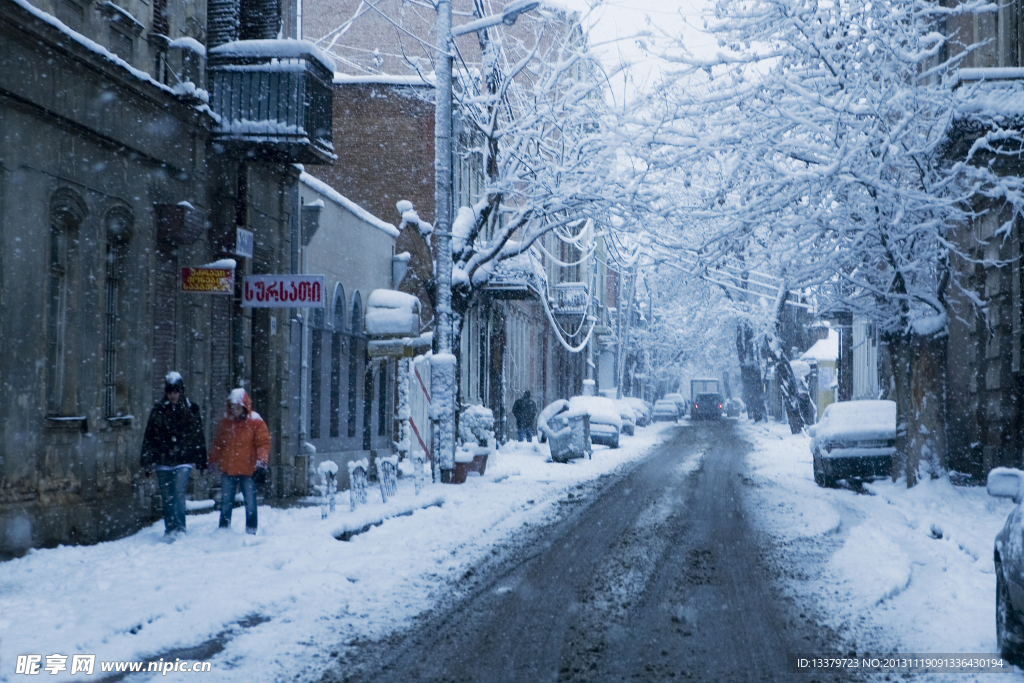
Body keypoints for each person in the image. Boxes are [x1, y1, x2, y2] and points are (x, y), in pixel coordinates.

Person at [140, 371, 207, 538]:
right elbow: (150, 436)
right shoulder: (158, 410)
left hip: (183, 459)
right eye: (170, 392)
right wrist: (147, 461)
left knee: (178, 493)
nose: (173, 396)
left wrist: (201, 459)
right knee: (167, 497)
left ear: (181, 392)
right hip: (163, 459)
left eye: (176, 392)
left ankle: (180, 528)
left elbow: (198, 435)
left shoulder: (191, 409)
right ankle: (169, 529)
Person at [209, 388, 270, 535]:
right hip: (228, 468)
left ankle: (251, 530)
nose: (234, 411)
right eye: (232, 407)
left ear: (244, 406)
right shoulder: (226, 422)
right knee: (226, 502)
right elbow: (219, 443)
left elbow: (262, 444)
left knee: (250, 502)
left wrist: (261, 462)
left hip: (248, 469)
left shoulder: (256, 422)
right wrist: (212, 460)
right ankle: (223, 530)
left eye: (237, 407)